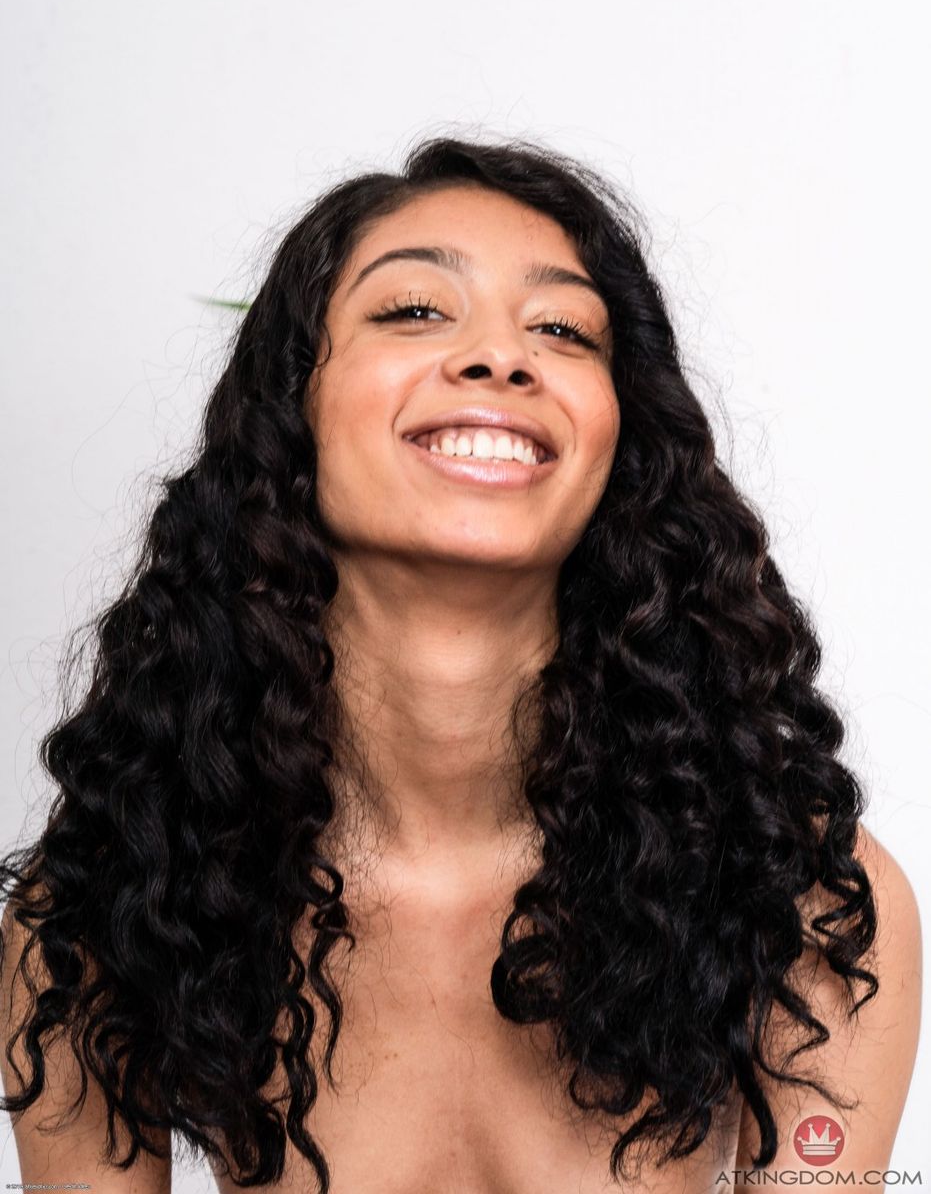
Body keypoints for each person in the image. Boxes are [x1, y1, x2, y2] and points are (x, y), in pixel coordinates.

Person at [0, 136, 921, 1194]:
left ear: (621, 438)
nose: (500, 357)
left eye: (562, 329)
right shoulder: (109, 902)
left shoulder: (804, 898)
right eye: (413, 310)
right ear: (289, 406)